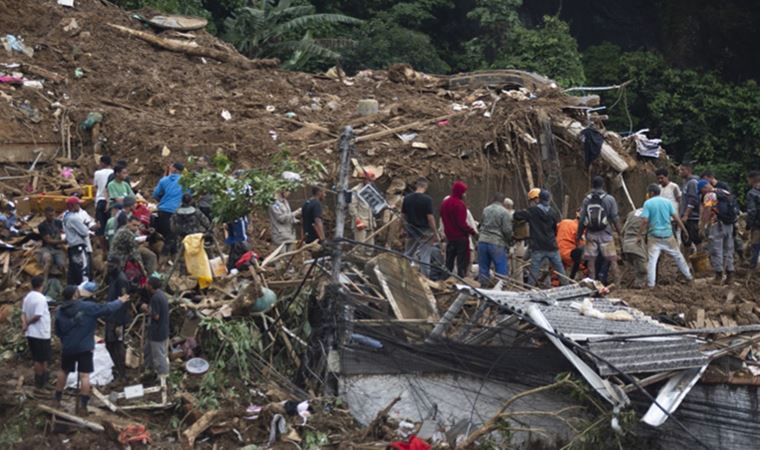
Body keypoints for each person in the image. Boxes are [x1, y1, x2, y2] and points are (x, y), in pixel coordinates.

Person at [54, 284, 130, 415]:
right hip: (84, 347)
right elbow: (106, 308)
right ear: (75, 295)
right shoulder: (86, 307)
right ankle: (83, 405)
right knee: (85, 376)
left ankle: (57, 399)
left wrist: (66, 340)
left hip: (68, 347)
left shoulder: (60, 311)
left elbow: (58, 331)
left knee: (64, 371)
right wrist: (120, 301)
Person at [638, 183, 693, 288]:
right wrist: (684, 230)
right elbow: (676, 218)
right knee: (678, 257)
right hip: (668, 235)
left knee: (652, 261)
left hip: (654, 236)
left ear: (651, 193)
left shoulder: (648, 203)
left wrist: (639, 235)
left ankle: (651, 285)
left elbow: (645, 221)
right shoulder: (667, 202)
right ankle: (689, 277)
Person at [514, 189, 567, 286]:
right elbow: (555, 229)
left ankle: (529, 290)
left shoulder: (532, 211)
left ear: (539, 199)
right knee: (561, 272)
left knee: (534, 272)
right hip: (552, 247)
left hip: (538, 247)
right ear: (549, 199)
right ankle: (569, 289)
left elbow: (517, 215)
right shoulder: (553, 212)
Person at [577, 176, 622, 286]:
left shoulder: (586, 199)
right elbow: (615, 217)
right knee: (612, 259)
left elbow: (582, 219)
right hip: (605, 233)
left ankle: (592, 283)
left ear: (592, 185)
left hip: (591, 234)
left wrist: (579, 234)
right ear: (603, 185)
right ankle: (617, 283)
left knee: (591, 260)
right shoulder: (610, 199)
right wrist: (620, 233)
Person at [699, 180, 736, 284]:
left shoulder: (710, 195)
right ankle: (730, 275)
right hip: (730, 224)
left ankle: (718, 275)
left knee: (716, 250)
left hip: (717, 225)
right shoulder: (725, 192)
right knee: (728, 249)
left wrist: (703, 226)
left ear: (704, 188)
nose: (702, 194)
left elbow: (707, 210)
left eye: (701, 191)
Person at [401, 178, 440, 278]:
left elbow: (403, 216)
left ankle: (402, 274)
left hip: (411, 231)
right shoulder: (427, 200)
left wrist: (404, 228)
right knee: (425, 256)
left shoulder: (407, 198)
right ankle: (425, 278)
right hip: (425, 233)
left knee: (408, 253)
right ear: (425, 186)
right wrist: (435, 233)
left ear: (417, 186)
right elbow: (430, 218)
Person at [440, 181, 478, 278]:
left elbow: (443, 220)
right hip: (461, 238)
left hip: (450, 238)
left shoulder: (445, 203)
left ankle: (445, 280)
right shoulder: (460, 205)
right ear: (460, 192)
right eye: (464, 192)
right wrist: (473, 232)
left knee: (449, 262)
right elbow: (462, 223)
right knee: (462, 263)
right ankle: (461, 282)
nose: (465, 194)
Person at [104, 255, 132, 380]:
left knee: (117, 344)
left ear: (118, 265)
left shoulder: (122, 280)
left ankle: (123, 374)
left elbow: (125, 301)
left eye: (111, 266)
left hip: (117, 319)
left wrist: (119, 323)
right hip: (110, 316)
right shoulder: (112, 277)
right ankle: (119, 369)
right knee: (110, 344)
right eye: (108, 266)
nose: (109, 268)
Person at [22, 276, 51, 390]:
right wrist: (28, 323)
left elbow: (23, 312)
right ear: (41, 285)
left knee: (39, 358)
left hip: (31, 333)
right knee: (40, 359)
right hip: (40, 333)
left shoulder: (28, 297)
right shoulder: (41, 298)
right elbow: (38, 315)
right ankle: (40, 383)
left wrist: (24, 324)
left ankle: (42, 381)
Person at [477, 193, 512, 286]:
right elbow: (507, 230)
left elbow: (481, 224)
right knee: (500, 267)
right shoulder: (504, 212)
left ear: (493, 199)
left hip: (483, 241)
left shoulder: (486, 209)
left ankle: (483, 288)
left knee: (483, 268)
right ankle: (501, 288)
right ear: (503, 202)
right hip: (496, 242)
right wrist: (509, 242)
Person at [153, 163, 185, 255]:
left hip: (164, 211)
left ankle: (165, 257)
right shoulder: (185, 181)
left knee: (166, 236)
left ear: (174, 169)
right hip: (178, 212)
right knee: (173, 236)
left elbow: (155, 194)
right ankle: (170, 257)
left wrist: (163, 200)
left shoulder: (164, 180)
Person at [141, 276, 170, 379]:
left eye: (147, 284)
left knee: (159, 356)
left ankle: (163, 376)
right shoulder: (161, 295)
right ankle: (149, 369)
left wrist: (146, 309)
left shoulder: (156, 298)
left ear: (151, 286)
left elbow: (156, 316)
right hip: (160, 330)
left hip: (157, 332)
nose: (145, 285)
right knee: (147, 350)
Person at [63, 196, 92, 285]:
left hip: (72, 247)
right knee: (83, 270)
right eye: (77, 204)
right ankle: (84, 291)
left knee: (74, 271)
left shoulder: (66, 216)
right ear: (72, 205)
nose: (79, 206)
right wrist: (86, 226)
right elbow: (84, 232)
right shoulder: (74, 218)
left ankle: (73, 289)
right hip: (78, 247)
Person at [349, 171, 378, 256]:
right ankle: (357, 264)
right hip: (361, 220)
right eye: (369, 180)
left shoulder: (371, 190)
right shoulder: (356, 190)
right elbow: (352, 206)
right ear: (364, 180)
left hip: (370, 222)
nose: (370, 182)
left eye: (372, 181)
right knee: (359, 247)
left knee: (370, 247)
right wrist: (357, 219)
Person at [37, 206, 66, 283]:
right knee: (48, 259)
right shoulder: (42, 226)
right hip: (47, 247)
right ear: (45, 215)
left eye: (53, 215)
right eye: (50, 215)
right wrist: (63, 242)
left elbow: (63, 231)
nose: (52, 217)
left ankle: (64, 280)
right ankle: (45, 279)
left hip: (57, 248)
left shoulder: (58, 223)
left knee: (62, 264)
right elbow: (48, 240)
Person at [621, 208, 648, 288]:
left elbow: (623, 231)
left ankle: (625, 284)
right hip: (637, 244)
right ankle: (639, 286)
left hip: (626, 244)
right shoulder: (649, 214)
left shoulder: (632, 213)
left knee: (634, 266)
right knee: (643, 269)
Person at [678, 162, 702, 251]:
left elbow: (693, 200)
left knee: (696, 239)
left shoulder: (692, 182)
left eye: (682, 170)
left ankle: (700, 259)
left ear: (689, 170)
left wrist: (686, 215)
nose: (680, 172)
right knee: (685, 240)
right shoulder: (685, 182)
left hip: (692, 217)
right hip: (686, 217)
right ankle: (687, 263)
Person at [93, 155, 114, 249]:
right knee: (112, 227)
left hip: (100, 201)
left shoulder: (98, 173)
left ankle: (104, 250)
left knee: (100, 227)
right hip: (112, 202)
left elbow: (96, 187)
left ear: (102, 163)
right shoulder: (115, 173)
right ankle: (112, 247)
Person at [556, 210, 584, 279]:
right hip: (569, 255)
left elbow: (554, 230)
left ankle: (555, 284)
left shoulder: (564, 222)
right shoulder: (579, 229)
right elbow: (581, 245)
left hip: (556, 252)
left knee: (557, 273)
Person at [747, 170, 760, 271]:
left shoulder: (752, 193)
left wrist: (748, 225)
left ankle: (753, 268)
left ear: (752, 179)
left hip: (758, 225)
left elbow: (752, 211)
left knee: (755, 245)